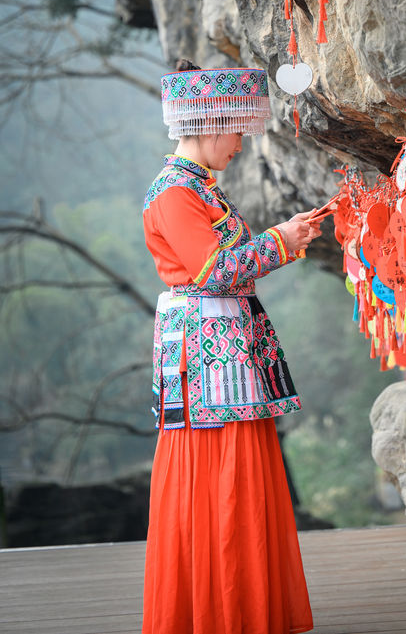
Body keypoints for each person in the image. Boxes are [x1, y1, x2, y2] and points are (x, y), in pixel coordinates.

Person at [141, 60, 321, 634]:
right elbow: (215, 270)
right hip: (207, 356)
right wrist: (281, 240)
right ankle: (220, 611)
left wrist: (284, 240)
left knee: (237, 469)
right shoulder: (175, 194)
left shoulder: (198, 190)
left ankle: (240, 607)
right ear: (209, 122)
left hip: (223, 346)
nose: (242, 142)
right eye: (236, 128)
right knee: (219, 471)